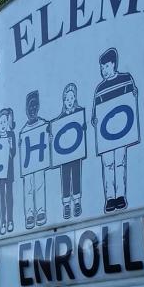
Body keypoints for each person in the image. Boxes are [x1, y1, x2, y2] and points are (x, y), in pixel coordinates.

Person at [91, 48, 138, 212]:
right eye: (102, 67)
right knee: (108, 164)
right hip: (105, 135)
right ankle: (110, 198)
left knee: (120, 162)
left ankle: (121, 196)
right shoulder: (99, 88)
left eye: (106, 66)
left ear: (113, 64)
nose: (104, 70)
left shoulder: (126, 78)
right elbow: (95, 115)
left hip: (122, 131)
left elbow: (132, 100)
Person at [51, 83, 84, 219]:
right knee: (65, 178)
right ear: (63, 101)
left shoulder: (79, 113)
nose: (69, 102)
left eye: (71, 99)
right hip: (63, 155)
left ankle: (77, 202)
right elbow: (53, 129)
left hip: (76, 153)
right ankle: (66, 204)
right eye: (67, 99)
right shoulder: (59, 119)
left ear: (75, 98)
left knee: (76, 175)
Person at [20, 90, 49, 229]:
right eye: (29, 106)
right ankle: (29, 214)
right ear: (26, 109)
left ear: (38, 107)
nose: (32, 109)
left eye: (34, 106)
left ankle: (41, 211)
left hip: (39, 163)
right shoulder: (23, 130)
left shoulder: (44, 124)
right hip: (27, 166)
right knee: (28, 189)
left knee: (39, 185)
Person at [0, 108, 16, 235]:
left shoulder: (11, 135)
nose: (2, 125)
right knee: (1, 197)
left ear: (7, 123)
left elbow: (13, 154)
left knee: (9, 196)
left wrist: (11, 145)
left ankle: (10, 221)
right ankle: (2, 221)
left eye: (4, 122)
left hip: (9, 172)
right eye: (0, 123)